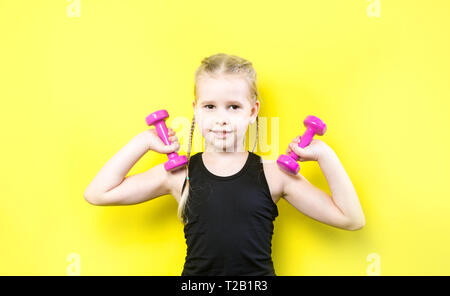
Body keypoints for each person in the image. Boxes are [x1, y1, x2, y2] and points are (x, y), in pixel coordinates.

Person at [84, 53, 366, 276]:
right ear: (195, 108)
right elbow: (98, 193)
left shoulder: (274, 175)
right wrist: (142, 142)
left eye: (233, 106)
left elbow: (351, 218)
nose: (221, 118)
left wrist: (326, 156)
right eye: (210, 107)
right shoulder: (179, 174)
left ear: (253, 110)